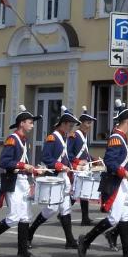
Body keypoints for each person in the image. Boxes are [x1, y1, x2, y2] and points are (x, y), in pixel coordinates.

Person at [76, 100, 128, 257]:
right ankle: (86, 240)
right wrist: (124, 172)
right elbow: (110, 161)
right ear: (127, 121)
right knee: (114, 217)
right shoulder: (116, 138)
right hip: (116, 182)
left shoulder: (122, 137)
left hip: (123, 182)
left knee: (125, 216)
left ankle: (127, 252)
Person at [0, 105, 43, 257]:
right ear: (22, 123)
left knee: (26, 216)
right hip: (12, 182)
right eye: (30, 122)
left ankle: (22, 252)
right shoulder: (12, 139)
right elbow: (4, 162)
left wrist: (33, 169)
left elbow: (21, 163)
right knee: (14, 216)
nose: (32, 125)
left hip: (22, 181)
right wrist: (23, 166)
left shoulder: (23, 140)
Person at [27, 107, 80, 249]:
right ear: (63, 124)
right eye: (70, 125)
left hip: (63, 177)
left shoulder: (64, 138)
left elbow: (66, 157)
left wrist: (74, 165)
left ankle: (70, 240)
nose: (71, 128)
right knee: (51, 209)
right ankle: (29, 233)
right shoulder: (53, 137)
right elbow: (46, 157)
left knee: (66, 208)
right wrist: (60, 166)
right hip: (54, 177)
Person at [68, 106, 97, 225]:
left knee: (83, 191)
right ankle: (63, 213)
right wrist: (77, 161)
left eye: (90, 123)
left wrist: (94, 159)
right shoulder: (74, 136)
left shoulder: (84, 136)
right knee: (78, 191)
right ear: (82, 123)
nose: (90, 126)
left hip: (84, 168)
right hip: (77, 168)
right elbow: (68, 153)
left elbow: (84, 153)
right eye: (88, 123)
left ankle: (85, 218)